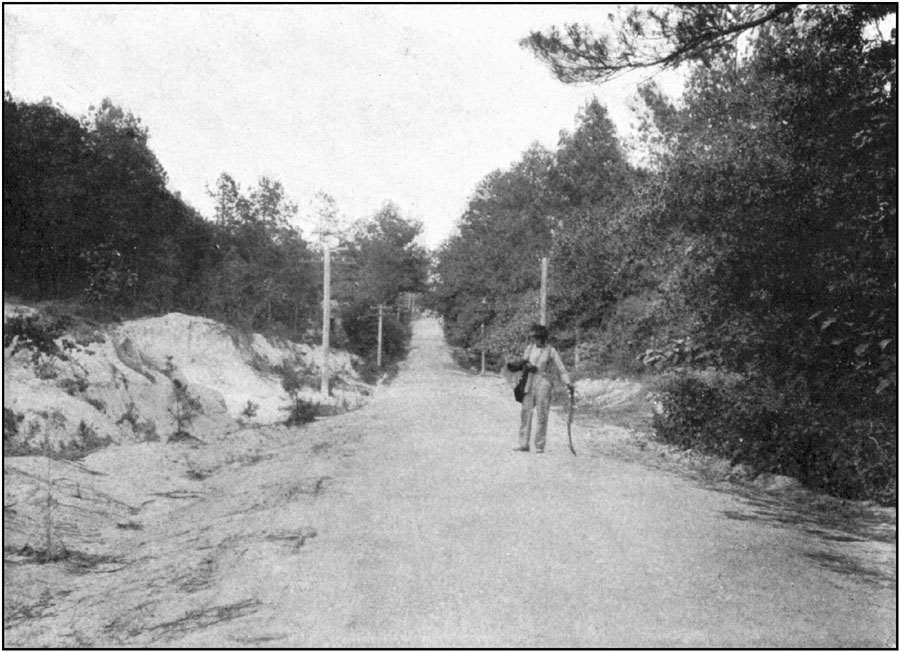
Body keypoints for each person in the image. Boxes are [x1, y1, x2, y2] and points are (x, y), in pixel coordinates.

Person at [506, 323, 574, 453]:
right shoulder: (530, 348)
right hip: (529, 382)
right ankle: (523, 444)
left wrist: (568, 382)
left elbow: (561, 368)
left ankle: (539, 445)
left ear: (544, 338)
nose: (536, 340)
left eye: (538, 337)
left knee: (542, 414)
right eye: (534, 337)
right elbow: (524, 362)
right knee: (526, 413)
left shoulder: (551, 351)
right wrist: (521, 366)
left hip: (544, 382)